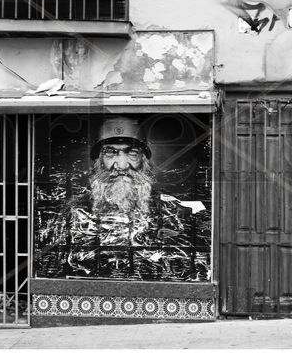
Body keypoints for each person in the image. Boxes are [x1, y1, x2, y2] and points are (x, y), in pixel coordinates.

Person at [41, 115, 210, 281]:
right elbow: (49, 274)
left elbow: (195, 272)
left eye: (132, 153)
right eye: (110, 153)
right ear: (98, 161)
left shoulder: (173, 212)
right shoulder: (72, 214)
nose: (122, 166)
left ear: (144, 161)